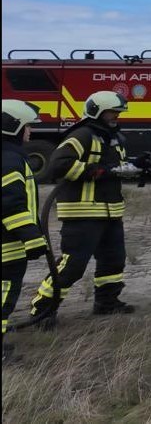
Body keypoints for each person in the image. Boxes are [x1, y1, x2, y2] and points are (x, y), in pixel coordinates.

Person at [29, 91, 136, 323]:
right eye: (111, 112)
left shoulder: (114, 138)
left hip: (111, 212)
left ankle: (107, 303)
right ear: (97, 112)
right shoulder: (81, 135)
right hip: (82, 213)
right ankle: (43, 309)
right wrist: (95, 171)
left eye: (118, 112)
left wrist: (137, 166)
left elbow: (116, 167)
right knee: (73, 265)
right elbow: (58, 165)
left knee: (114, 261)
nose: (116, 116)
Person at [2, 100, 48, 362]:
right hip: (6, 246)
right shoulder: (9, 160)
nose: (30, 131)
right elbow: (9, 204)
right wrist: (31, 238)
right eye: (27, 126)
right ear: (13, 127)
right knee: (4, 295)